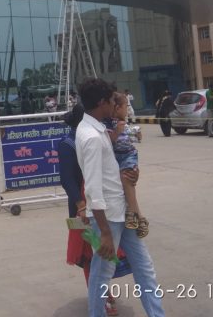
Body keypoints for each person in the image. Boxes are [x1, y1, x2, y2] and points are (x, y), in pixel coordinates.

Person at [76, 78, 164, 317]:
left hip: (121, 211)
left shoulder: (98, 129)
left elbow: (111, 167)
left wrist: (129, 175)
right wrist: (104, 232)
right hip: (108, 218)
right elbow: (93, 189)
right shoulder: (92, 137)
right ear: (101, 102)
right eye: (110, 101)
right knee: (101, 275)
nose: (114, 106)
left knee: (144, 267)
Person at [59, 104, 127, 316]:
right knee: (90, 256)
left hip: (100, 204)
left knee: (103, 253)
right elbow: (67, 180)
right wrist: (81, 206)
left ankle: (103, 294)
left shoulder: (95, 136)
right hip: (81, 207)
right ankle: (102, 299)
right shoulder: (68, 144)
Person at [104, 93, 148, 238]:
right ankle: (139, 217)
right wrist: (117, 131)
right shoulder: (108, 124)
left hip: (129, 156)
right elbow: (109, 141)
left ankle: (133, 214)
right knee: (126, 182)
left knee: (127, 179)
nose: (127, 110)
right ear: (117, 108)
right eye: (125, 107)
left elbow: (130, 140)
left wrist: (137, 136)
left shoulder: (124, 123)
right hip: (117, 158)